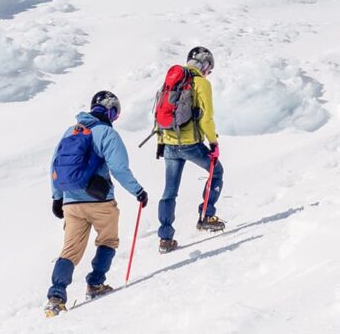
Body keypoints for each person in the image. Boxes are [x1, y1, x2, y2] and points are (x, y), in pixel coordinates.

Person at [44, 90, 148, 317]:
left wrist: (57, 198)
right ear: (111, 112)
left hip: (71, 202)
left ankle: (56, 295)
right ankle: (96, 283)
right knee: (108, 240)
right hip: (101, 201)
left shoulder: (70, 131)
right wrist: (138, 191)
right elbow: (119, 169)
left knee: (70, 250)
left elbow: (54, 166)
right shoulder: (107, 134)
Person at [156, 46, 225, 253]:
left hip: (169, 143)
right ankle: (206, 215)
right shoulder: (201, 83)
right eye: (209, 68)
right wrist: (213, 143)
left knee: (169, 192)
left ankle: (165, 239)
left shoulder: (171, 80)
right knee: (217, 172)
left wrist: (161, 142)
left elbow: (159, 113)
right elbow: (206, 117)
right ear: (204, 65)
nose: (208, 72)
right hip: (190, 144)